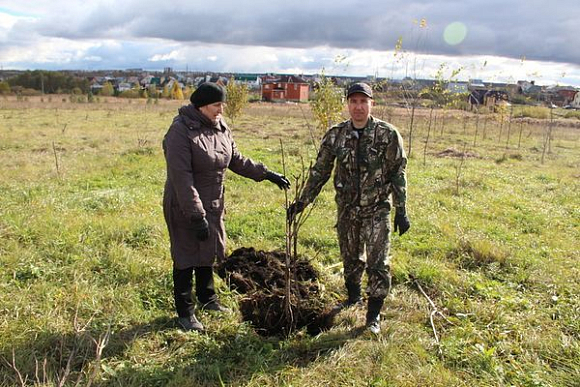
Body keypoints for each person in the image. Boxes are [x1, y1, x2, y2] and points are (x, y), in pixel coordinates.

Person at [163, 82, 290, 332]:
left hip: (213, 203)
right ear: (201, 106)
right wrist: (196, 215)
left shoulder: (220, 128)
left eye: (222, 104)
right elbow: (181, 178)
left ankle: (208, 299)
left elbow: (236, 159)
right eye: (216, 105)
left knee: (208, 251)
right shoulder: (180, 132)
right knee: (186, 254)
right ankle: (185, 312)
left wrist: (266, 174)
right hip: (184, 204)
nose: (221, 109)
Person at [287, 82, 410, 334]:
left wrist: (401, 209)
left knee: (378, 263)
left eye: (363, 102)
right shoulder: (335, 135)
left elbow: (398, 172)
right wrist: (302, 200)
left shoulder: (387, 134)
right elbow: (320, 170)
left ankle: (373, 316)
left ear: (371, 104)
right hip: (347, 211)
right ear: (347, 104)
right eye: (353, 102)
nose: (358, 107)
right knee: (350, 258)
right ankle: (353, 298)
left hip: (377, 210)